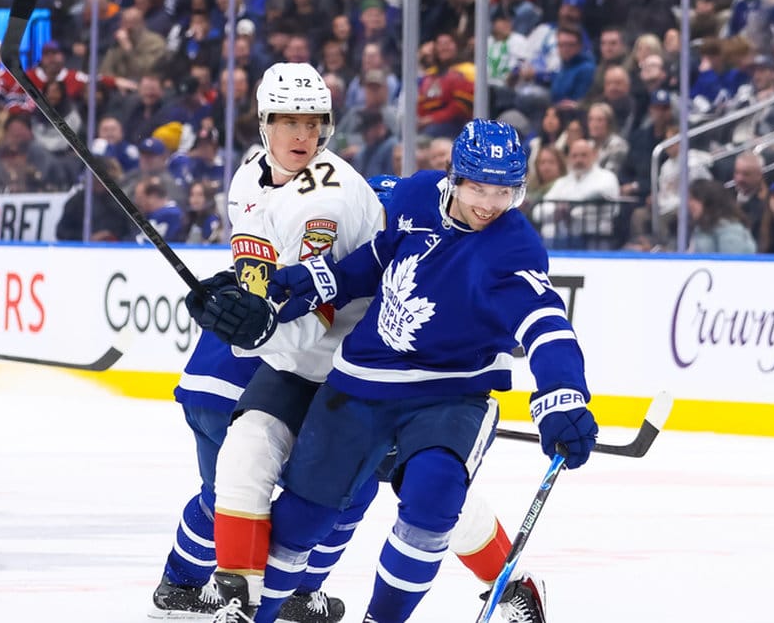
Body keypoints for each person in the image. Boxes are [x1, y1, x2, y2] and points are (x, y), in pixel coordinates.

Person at [240, 119, 598, 623]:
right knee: (301, 518)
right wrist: (322, 280)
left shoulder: (513, 247)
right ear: (454, 178)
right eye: (478, 188)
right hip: (361, 381)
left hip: (450, 393)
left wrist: (563, 392)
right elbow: (377, 257)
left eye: (504, 192)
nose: (489, 204)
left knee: (434, 496)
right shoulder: (416, 196)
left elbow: (546, 324)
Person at [179, 62, 386, 620]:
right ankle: (239, 599)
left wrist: (259, 326)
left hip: (355, 368)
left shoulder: (326, 200)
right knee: (243, 455)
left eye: (313, 123)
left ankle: (508, 578)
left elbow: (315, 308)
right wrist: (231, 298)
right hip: (298, 363)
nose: (303, 135)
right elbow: (261, 274)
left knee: (372, 492)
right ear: (264, 123)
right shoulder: (249, 176)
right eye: (290, 121)